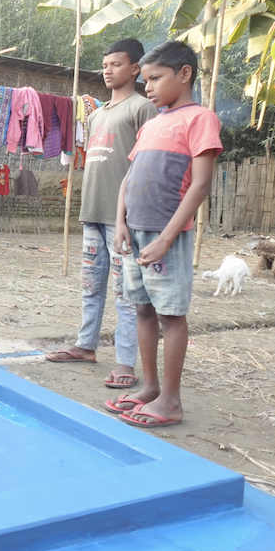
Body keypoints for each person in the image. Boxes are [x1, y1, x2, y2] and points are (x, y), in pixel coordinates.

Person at [107, 40, 222, 428]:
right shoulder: (152, 123)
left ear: (184, 73)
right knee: (142, 310)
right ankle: (151, 388)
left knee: (171, 316)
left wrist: (167, 238)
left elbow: (200, 185)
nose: (148, 87)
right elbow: (130, 176)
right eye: (145, 80)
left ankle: (171, 401)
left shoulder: (200, 118)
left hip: (164, 236)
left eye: (155, 78)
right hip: (135, 233)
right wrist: (121, 221)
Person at [45, 39, 158, 389]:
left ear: (136, 69)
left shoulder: (143, 108)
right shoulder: (95, 115)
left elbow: (147, 165)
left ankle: (126, 362)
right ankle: (85, 346)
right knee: (90, 286)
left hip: (123, 219)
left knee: (126, 294)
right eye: (105, 65)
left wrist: (130, 214)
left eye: (116, 64)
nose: (108, 70)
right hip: (92, 212)